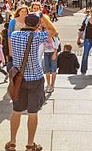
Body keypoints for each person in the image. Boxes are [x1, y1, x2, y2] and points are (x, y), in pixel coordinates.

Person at [6, 13, 57, 151]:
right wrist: (44, 17)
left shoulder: (15, 35)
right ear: (37, 25)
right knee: (33, 113)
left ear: (25, 23)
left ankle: (12, 143)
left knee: (16, 111)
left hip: (19, 79)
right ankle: (30, 144)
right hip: (35, 78)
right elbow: (53, 31)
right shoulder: (37, 36)